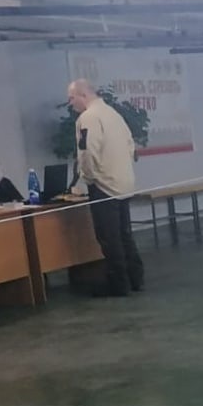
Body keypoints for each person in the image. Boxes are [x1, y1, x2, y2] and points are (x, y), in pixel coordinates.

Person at [66, 79, 144, 297]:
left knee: (109, 237)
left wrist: (88, 178)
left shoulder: (88, 118)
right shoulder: (113, 114)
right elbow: (130, 146)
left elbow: (87, 152)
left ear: (83, 95)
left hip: (104, 186)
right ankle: (136, 278)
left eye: (71, 98)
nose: (70, 103)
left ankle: (119, 284)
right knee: (124, 233)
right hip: (124, 182)